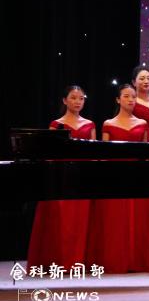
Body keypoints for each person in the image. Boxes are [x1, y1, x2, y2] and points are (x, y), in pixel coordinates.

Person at [84, 85, 149, 273]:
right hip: (115, 173)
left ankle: (134, 260)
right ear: (118, 100)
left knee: (135, 218)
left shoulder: (142, 123)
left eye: (133, 97)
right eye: (126, 96)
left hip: (136, 174)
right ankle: (114, 258)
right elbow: (104, 152)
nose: (131, 100)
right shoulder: (108, 124)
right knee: (115, 218)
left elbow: (145, 151)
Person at [28, 86, 95, 269]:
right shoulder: (56, 124)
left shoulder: (90, 124)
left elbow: (93, 154)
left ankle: (78, 261)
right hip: (61, 175)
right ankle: (58, 261)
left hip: (81, 176)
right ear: (65, 100)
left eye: (81, 98)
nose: (78, 101)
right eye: (73, 98)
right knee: (60, 221)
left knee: (80, 221)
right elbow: (50, 153)